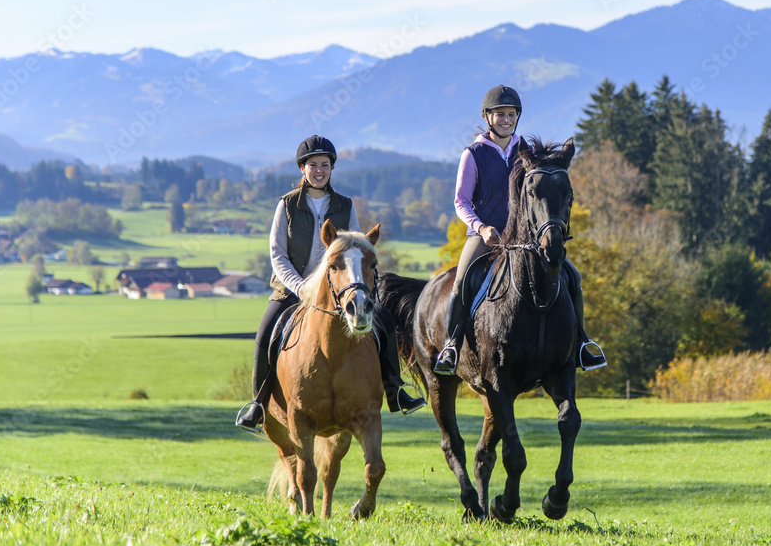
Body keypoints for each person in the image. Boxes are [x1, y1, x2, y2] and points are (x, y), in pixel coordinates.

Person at [236, 135, 425, 431]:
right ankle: (258, 404)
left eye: (325, 164)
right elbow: (277, 254)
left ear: (332, 168)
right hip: (293, 289)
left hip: (338, 291)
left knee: (384, 322)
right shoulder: (285, 206)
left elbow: (355, 249)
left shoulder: (345, 205)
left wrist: (356, 284)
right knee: (265, 335)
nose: (319, 170)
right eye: (313, 165)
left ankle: (396, 390)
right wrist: (301, 288)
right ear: (302, 168)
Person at [433, 85, 604, 375]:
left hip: (526, 238)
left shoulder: (526, 152)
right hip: (487, 236)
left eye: (511, 114)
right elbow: (460, 201)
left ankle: (580, 344)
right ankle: (451, 346)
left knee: (572, 275)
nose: (506, 119)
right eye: (500, 114)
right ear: (488, 117)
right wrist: (481, 228)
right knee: (461, 281)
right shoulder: (472, 154)